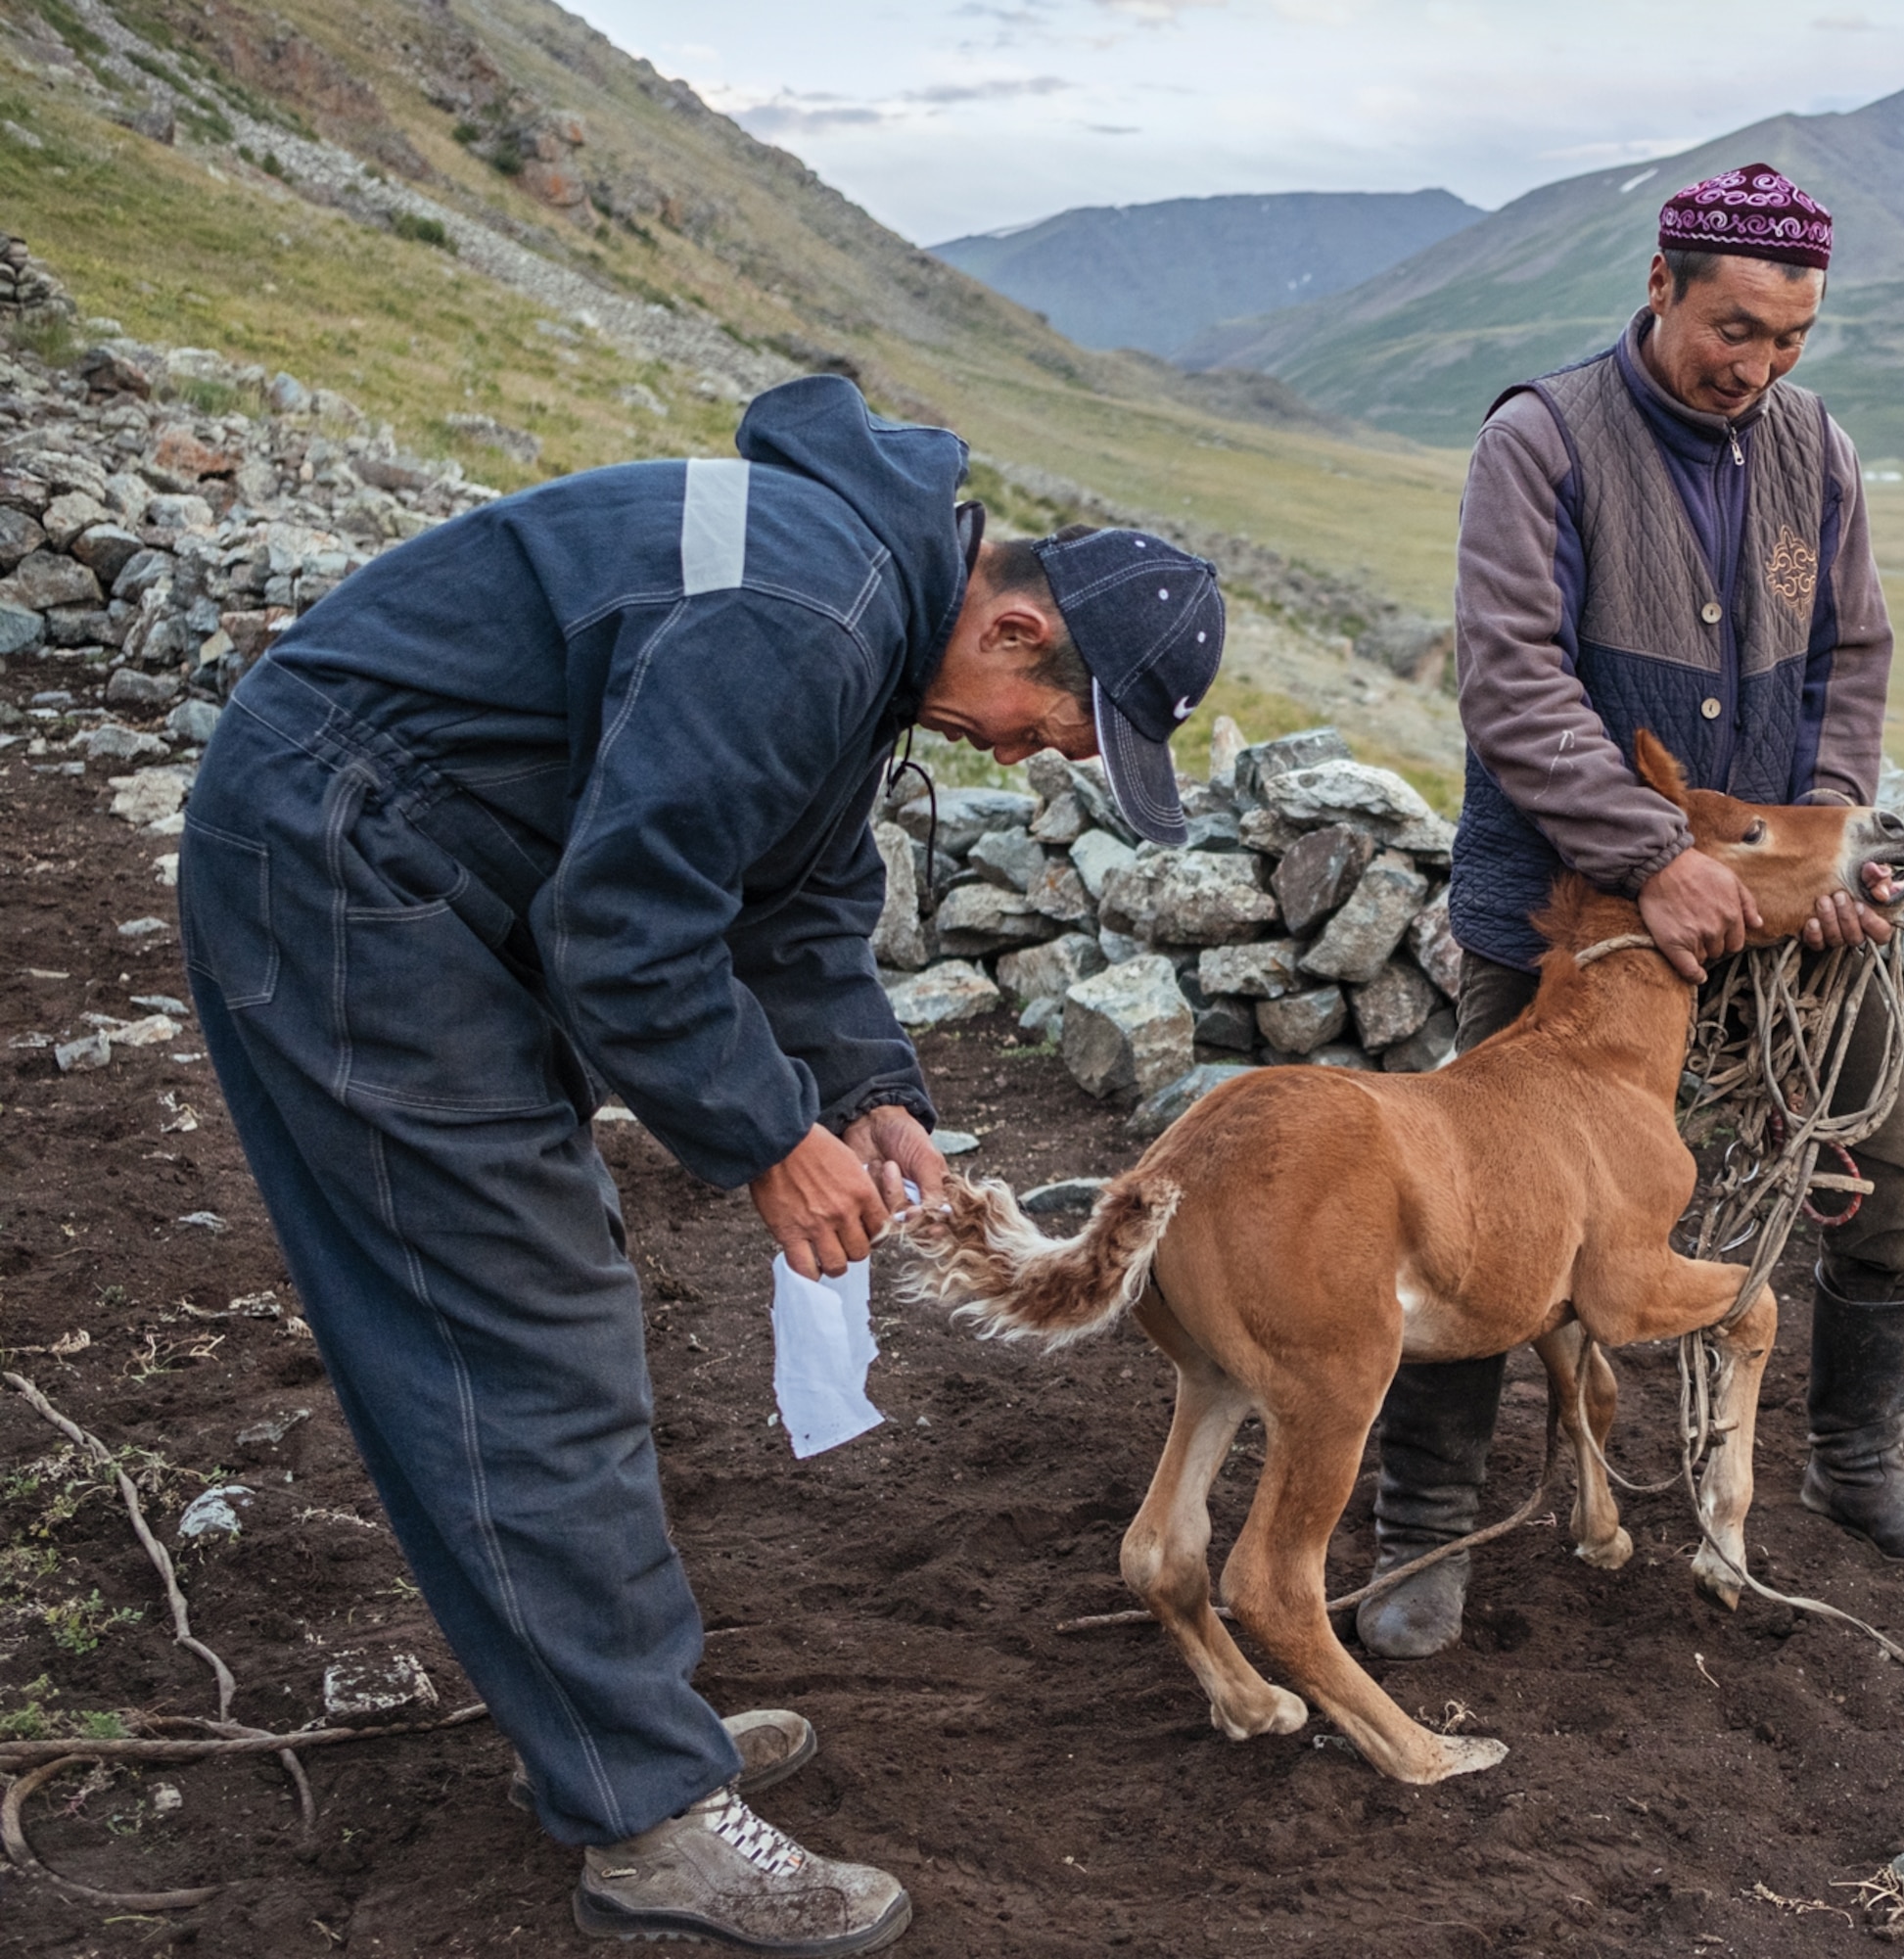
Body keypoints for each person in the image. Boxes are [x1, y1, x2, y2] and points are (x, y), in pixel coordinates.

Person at [177, 375, 1222, 1954]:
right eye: (1062, 727)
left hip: (425, 855)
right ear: (1014, 632)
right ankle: (647, 1818)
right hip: (346, 865)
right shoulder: (804, 616)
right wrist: (766, 1142)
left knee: (546, 1296)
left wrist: (870, 1091)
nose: (1033, 760)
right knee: (518, 1322)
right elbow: (627, 924)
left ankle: (622, 1733)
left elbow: (793, 891)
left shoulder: (860, 616)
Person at [1357, 163, 1904, 1663]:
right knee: (1471, 1220)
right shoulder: (1543, 441)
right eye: (1738, 329)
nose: (1760, 365)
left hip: (1770, 920)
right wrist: (1648, 850)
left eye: (1793, 338)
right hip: (1568, 919)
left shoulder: (1814, 452)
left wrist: (1818, 861)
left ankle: (1856, 1462)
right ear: (1662, 281)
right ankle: (1423, 1521)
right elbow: (1510, 677)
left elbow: (1851, 664)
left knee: (1891, 1184)